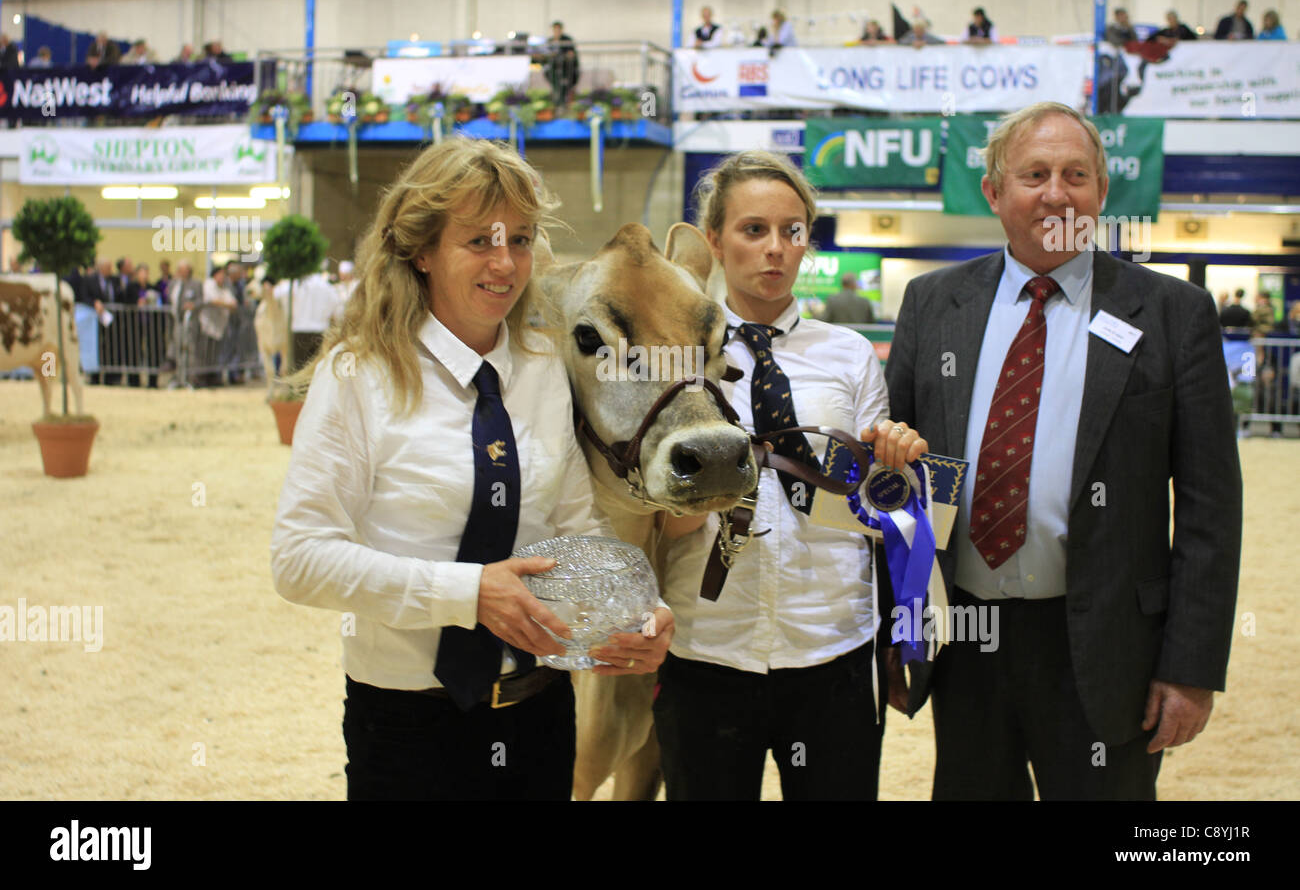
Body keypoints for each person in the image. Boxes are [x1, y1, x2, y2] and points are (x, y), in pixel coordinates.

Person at [270, 137, 673, 800]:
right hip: (406, 726)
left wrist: (639, 610)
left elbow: (578, 525)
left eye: (519, 238)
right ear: (421, 250)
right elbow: (298, 558)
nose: (505, 262)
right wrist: (468, 594)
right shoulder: (359, 376)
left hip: (540, 714)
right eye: (479, 241)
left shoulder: (543, 368)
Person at [883, 101, 1242, 800]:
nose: (1056, 193)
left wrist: (1191, 667)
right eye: (1035, 174)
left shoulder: (1172, 313)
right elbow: (892, 488)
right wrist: (896, 635)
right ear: (993, 192)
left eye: (1076, 174)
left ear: (1102, 192)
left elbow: (1209, 510)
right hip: (966, 639)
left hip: (1110, 648)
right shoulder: (932, 305)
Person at [651, 150, 927, 801]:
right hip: (705, 649)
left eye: (792, 230)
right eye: (753, 230)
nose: (775, 249)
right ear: (715, 239)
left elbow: (881, 510)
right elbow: (653, 512)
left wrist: (898, 459)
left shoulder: (851, 355)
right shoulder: (675, 356)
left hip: (833, 649)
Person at [544, 22, 579, 107]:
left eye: (558, 29)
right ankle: (559, 100)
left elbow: (571, 54)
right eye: (555, 29)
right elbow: (546, 54)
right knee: (552, 77)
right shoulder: (550, 41)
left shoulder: (567, 40)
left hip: (566, 68)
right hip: (554, 68)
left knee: (565, 83)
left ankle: (562, 101)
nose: (556, 31)